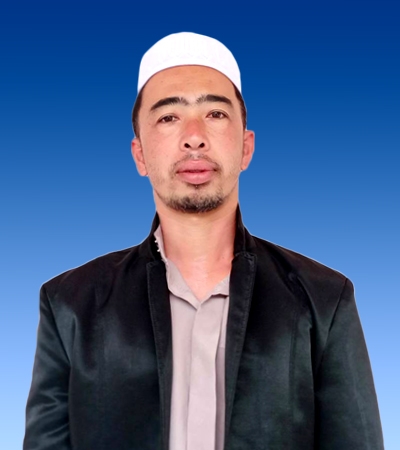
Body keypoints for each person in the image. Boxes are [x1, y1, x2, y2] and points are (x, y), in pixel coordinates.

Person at [24, 32, 384, 450]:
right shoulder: (70, 305)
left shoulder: (323, 301)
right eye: (168, 117)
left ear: (245, 147)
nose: (194, 137)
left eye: (215, 113)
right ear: (140, 155)